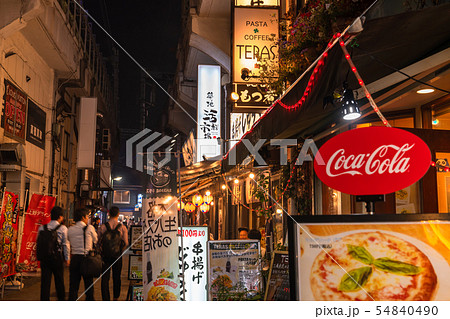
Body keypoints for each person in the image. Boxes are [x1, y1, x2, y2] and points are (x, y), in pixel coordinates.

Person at [37, 206, 70, 301]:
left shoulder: (42, 228)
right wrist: (67, 258)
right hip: (56, 258)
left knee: (45, 282)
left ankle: (44, 300)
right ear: (60, 216)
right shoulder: (63, 228)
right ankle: (61, 300)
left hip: (45, 258)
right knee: (59, 280)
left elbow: (38, 243)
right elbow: (65, 244)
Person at [98, 206, 128, 301]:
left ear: (109, 214)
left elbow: (98, 242)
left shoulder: (102, 227)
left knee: (105, 278)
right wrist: (120, 251)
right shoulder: (122, 228)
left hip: (105, 256)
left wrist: (101, 251)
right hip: (117, 256)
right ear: (118, 214)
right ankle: (116, 298)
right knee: (117, 277)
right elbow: (126, 243)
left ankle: (106, 299)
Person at [67, 208, 98, 301]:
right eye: (87, 217)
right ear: (83, 217)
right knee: (88, 284)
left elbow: (67, 244)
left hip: (75, 258)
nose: (87, 219)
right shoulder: (90, 228)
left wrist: (67, 257)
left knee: (73, 285)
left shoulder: (70, 229)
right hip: (86, 259)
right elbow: (96, 240)